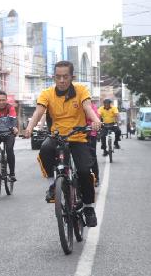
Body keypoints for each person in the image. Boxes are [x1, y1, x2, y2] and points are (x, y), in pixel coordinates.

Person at [23, 60, 101, 227]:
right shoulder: (47, 93)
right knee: (44, 148)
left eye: (65, 77)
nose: (62, 80)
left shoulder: (81, 90)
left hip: (78, 136)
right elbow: (39, 112)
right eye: (58, 77)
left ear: (72, 77)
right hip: (57, 137)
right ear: (54, 77)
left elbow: (87, 108)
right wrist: (30, 127)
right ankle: (53, 185)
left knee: (84, 171)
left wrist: (95, 120)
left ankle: (88, 207)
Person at [87, 101, 100, 187]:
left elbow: (96, 118)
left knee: (92, 156)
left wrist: (94, 124)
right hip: (76, 134)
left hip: (90, 134)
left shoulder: (92, 107)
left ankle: (96, 178)